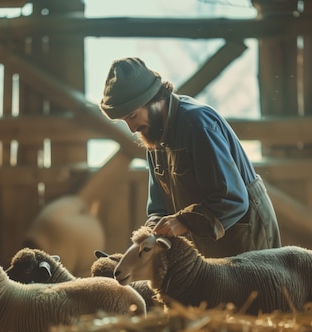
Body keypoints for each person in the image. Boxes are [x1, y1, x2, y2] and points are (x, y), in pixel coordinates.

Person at [99, 57, 281, 258]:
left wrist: (183, 222)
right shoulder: (154, 134)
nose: (132, 128)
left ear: (155, 101)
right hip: (205, 242)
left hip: (245, 238)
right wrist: (153, 231)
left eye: (132, 116)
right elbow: (158, 206)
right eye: (125, 121)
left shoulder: (197, 125)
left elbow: (232, 199)